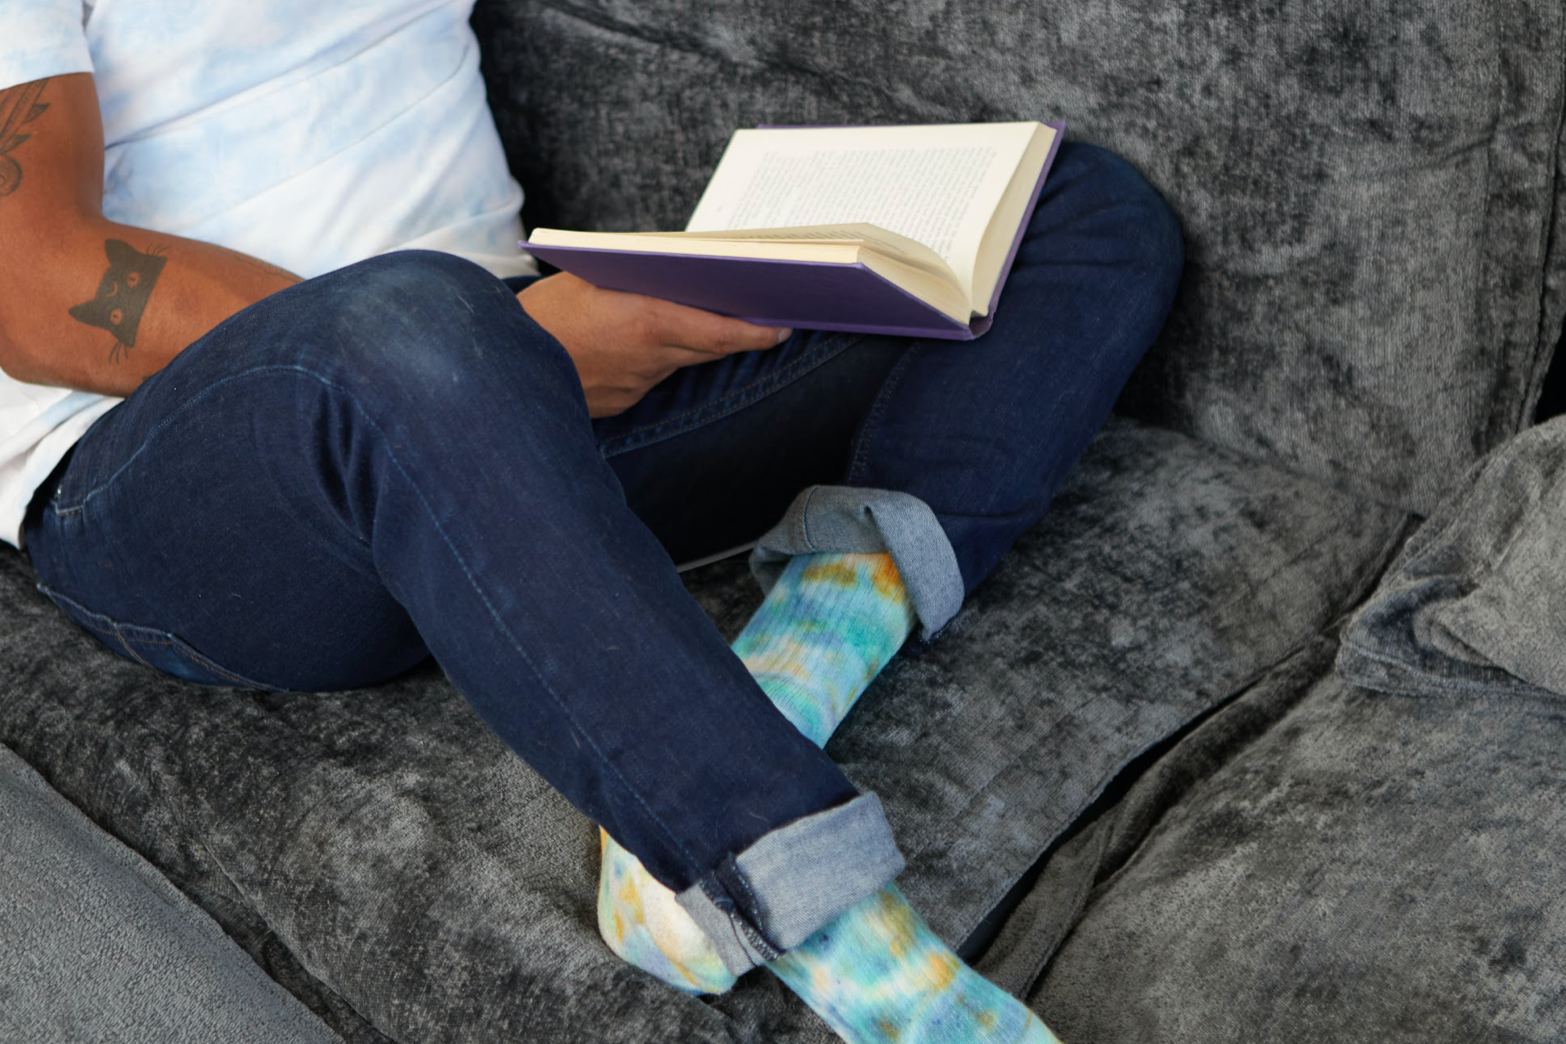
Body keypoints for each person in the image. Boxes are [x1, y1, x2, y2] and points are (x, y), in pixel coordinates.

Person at [0, 2, 1182, 1042]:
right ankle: (854, 952)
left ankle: (785, 680)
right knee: (408, 326)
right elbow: (27, 278)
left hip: (506, 388)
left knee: (1064, 210)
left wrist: (557, 331)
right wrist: (509, 344)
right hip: (179, 468)